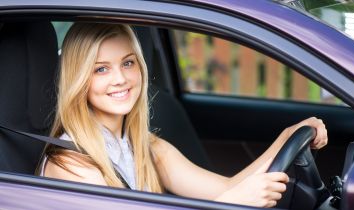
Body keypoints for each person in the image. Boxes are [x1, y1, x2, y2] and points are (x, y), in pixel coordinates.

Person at [37, 22, 328, 208]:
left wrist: (289, 137)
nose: (120, 79)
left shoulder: (146, 146)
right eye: (101, 69)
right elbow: (231, 196)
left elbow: (225, 188)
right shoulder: (72, 164)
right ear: (79, 79)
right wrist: (234, 202)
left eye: (128, 63)